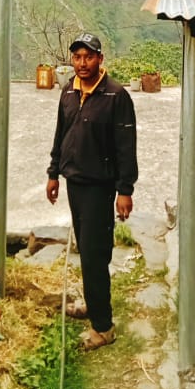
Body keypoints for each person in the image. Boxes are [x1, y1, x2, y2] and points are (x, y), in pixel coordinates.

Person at [46, 32, 138, 351]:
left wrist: (125, 190)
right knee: (87, 251)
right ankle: (93, 303)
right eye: (77, 57)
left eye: (88, 57)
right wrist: (53, 173)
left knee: (95, 254)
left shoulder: (116, 95)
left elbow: (126, 146)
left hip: (100, 187)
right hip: (75, 182)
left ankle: (103, 327)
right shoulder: (69, 91)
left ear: (100, 59)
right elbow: (61, 134)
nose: (82, 63)